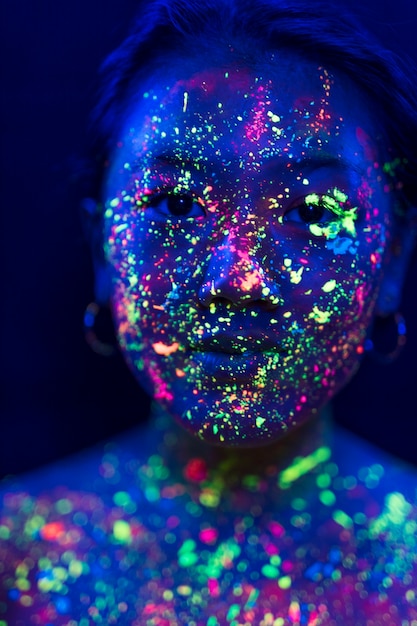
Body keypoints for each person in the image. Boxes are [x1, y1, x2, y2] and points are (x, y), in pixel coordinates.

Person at [1, 0, 417, 624]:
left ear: (392, 262)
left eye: (312, 212)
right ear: (101, 251)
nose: (238, 278)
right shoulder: (15, 560)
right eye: (175, 205)